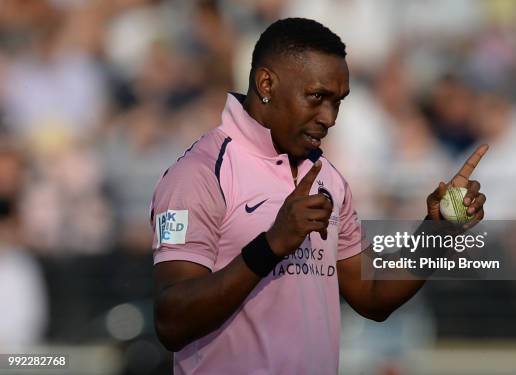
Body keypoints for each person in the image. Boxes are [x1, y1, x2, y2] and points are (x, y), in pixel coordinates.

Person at [151, 18, 487, 375]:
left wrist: (438, 232)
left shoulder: (329, 178)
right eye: (317, 97)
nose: (329, 118)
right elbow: (172, 322)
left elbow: (371, 294)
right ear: (266, 84)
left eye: (338, 102)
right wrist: (270, 246)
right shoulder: (200, 173)